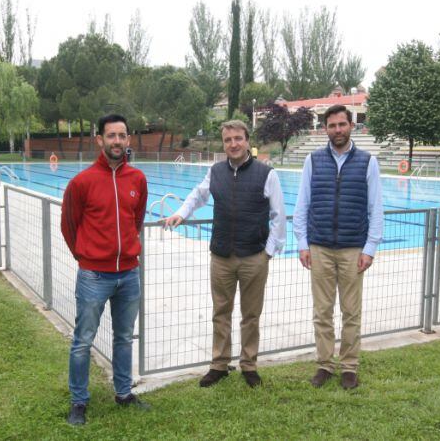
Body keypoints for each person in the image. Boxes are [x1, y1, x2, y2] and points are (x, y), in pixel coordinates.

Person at [164, 120, 286, 389]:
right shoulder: (216, 171)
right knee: (221, 313)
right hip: (221, 256)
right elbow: (198, 196)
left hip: (254, 255)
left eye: (238, 138)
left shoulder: (267, 174)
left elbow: (279, 216)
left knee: (251, 315)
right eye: (228, 139)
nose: (233, 144)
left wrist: (268, 252)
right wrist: (181, 213)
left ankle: (249, 365)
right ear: (224, 142)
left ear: (247, 140)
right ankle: (219, 364)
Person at [60, 114, 149, 426]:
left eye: (122, 136)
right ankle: (79, 401)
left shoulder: (137, 179)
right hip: (94, 276)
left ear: (128, 140)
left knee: (124, 337)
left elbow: (136, 222)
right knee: (83, 340)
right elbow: (68, 226)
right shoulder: (81, 182)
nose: (117, 141)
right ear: (99, 140)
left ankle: (123, 393)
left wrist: (126, 252)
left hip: (128, 274)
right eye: (111, 136)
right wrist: (86, 257)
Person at [292, 104, 384, 390]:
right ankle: (324, 364)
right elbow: (302, 204)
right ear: (325, 129)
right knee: (322, 311)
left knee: (351, 312)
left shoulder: (367, 161)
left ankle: (349, 367)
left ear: (350, 126)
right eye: (332, 126)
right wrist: (302, 243)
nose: (337, 130)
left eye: (342, 124)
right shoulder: (313, 160)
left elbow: (376, 208)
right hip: (319, 247)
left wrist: (369, 248)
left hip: (352, 249)